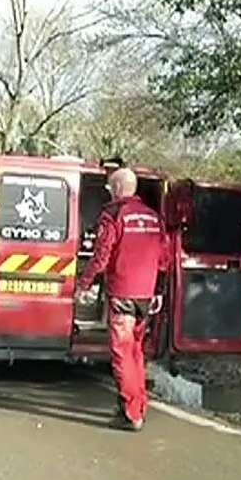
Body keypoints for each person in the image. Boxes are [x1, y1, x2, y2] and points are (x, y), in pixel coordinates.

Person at [75, 167, 170, 432]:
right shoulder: (154, 217)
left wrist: (84, 283)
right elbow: (164, 259)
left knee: (122, 353)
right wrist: (159, 292)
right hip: (146, 295)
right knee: (137, 352)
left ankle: (130, 413)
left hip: (122, 295)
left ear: (116, 188)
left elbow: (102, 256)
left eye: (109, 188)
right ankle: (139, 405)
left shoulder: (113, 215)